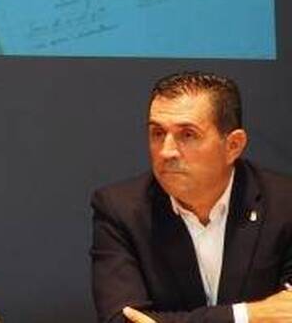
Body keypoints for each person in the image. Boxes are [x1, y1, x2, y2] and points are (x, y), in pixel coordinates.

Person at [91, 71, 292, 323]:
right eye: (157, 133)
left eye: (187, 135)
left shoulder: (284, 205)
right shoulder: (121, 210)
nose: (166, 152)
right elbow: (122, 320)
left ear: (233, 145)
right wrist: (245, 316)